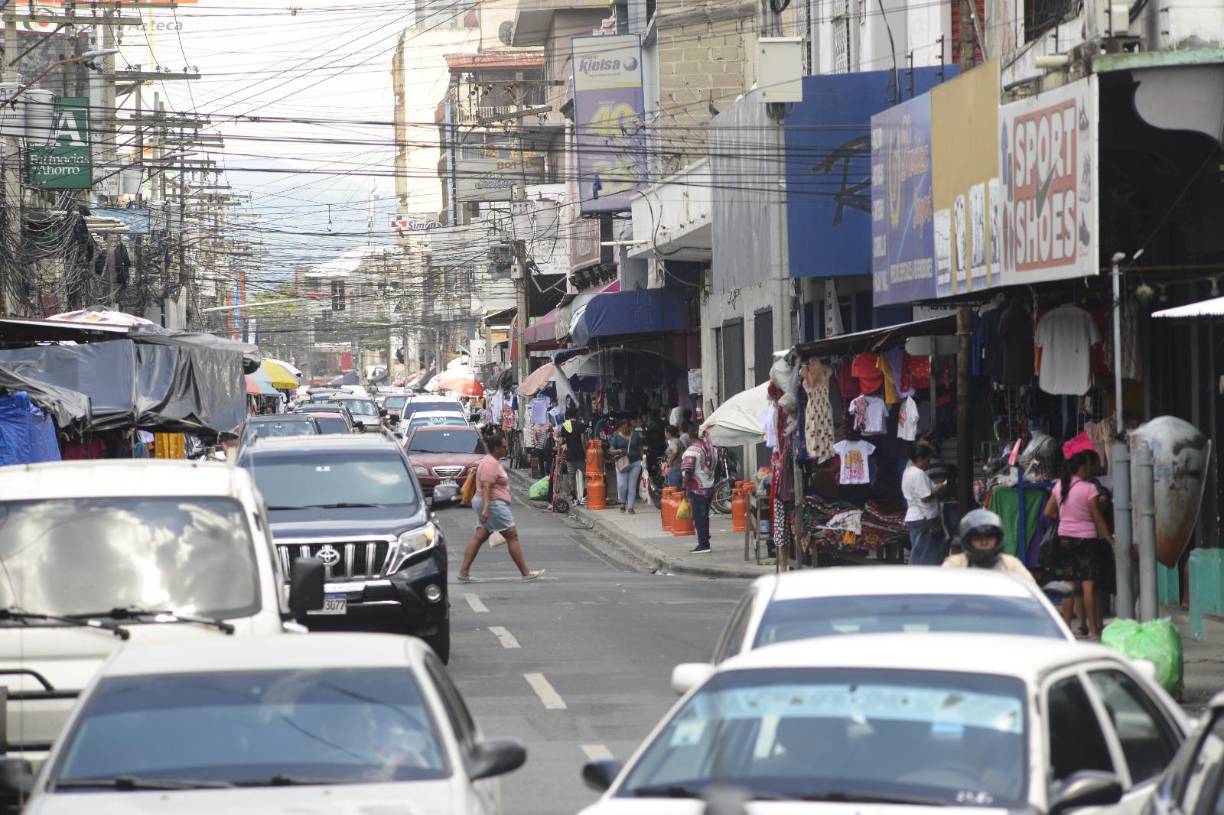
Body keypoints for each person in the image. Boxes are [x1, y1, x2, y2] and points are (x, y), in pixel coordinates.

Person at [1043, 448, 1115, 637]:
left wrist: (1066, 517)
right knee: (1088, 585)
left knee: (1069, 584)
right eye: (1088, 468)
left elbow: (1048, 512)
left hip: (1064, 538)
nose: (1090, 471)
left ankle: (1066, 627)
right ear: (1082, 468)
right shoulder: (1089, 488)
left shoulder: (1059, 486)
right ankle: (1092, 629)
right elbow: (1098, 517)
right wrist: (1110, 538)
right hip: (1086, 540)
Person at [457, 431, 545, 583]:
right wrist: (486, 508)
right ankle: (525, 573)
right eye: (504, 447)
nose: (507, 449)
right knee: (512, 535)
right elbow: (487, 487)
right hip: (493, 504)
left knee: (480, 536)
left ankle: (463, 572)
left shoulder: (490, 461)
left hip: (489, 503)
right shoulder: (490, 463)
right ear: (496, 448)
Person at [942, 509, 1034, 580]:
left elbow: (1030, 593)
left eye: (989, 537)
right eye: (978, 538)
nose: (984, 542)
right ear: (968, 540)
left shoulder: (1011, 564)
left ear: (998, 538)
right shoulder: (955, 564)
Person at [903, 443, 947, 565]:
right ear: (920, 459)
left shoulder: (907, 472)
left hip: (914, 517)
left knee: (918, 552)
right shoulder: (918, 473)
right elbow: (925, 496)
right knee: (926, 554)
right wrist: (939, 488)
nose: (929, 464)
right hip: (924, 518)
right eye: (927, 460)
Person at [681, 429, 717, 554]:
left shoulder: (691, 451)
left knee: (699, 517)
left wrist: (683, 487)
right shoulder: (712, 449)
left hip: (697, 489)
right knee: (704, 516)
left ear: (691, 436)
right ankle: (705, 540)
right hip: (709, 487)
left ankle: (703, 544)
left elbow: (688, 471)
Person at [609, 419, 644, 513]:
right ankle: (623, 502)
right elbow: (611, 450)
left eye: (626, 428)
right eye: (623, 428)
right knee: (622, 485)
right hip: (621, 463)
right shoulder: (616, 436)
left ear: (630, 427)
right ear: (620, 428)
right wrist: (619, 451)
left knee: (632, 485)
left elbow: (640, 449)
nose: (625, 430)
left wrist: (644, 460)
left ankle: (630, 507)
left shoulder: (635, 435)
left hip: (635, 462)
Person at [560, 408, 588, 505]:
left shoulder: (564, 426)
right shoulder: (581, 425)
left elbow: (562, 441)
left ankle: (574, 498)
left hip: (569, 455)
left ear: (567, 416)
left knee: (571, 477)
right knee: (587, 475)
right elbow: (583, 440)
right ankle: (584, 496)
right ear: (576, 415)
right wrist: (586, 453)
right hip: (580, 455)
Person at [664, 424, 684, 489]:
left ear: (668, 433)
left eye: (665, 432)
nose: (665, 434)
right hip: (680, 467)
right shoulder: (678, 440)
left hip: (675, 468)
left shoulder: (674, 442)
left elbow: (675, 451)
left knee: (674, 491)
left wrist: (670, 462)